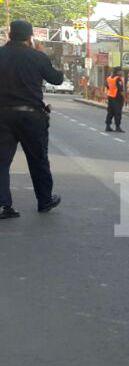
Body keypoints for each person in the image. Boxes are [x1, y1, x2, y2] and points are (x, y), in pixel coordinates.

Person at [0, 20, 63, 219]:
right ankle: (44, 200)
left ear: (10, 35)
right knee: (38, 160)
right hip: (31, 116)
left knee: (1, 162)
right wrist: (42, 53)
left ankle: (3, 205)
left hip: (3, 116)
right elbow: (57, 79)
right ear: (29, 37)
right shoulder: (37, 56)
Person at [105, 67, 125, 132]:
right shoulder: (118, 79)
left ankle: (108, 126)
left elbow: (107, 87)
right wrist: (124, 97)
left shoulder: (109, 78)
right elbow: (120, 89)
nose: (122, 72)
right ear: (118, 72)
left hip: (110, 97)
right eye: (121, 71)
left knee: (110, 112)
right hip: (117, 98)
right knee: (118, 113)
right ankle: (117, 127)